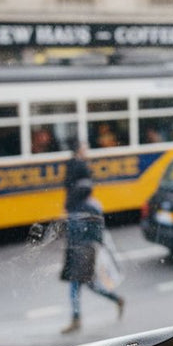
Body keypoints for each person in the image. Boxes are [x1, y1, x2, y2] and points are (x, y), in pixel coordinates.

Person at [58, 186, 125, 334]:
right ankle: (116, 299)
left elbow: (93, 233)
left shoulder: (85, 208)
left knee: (76, 286)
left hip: (83, 252)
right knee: (90, 285)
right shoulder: (86, 207)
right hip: (79, 252)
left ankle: (76, 319)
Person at [63, 138, 92, 208]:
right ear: (79, 151)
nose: (86, 152)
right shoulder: (79, 164)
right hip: (78, 202)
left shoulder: (72, 162)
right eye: (84, 150)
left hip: (74, 200)